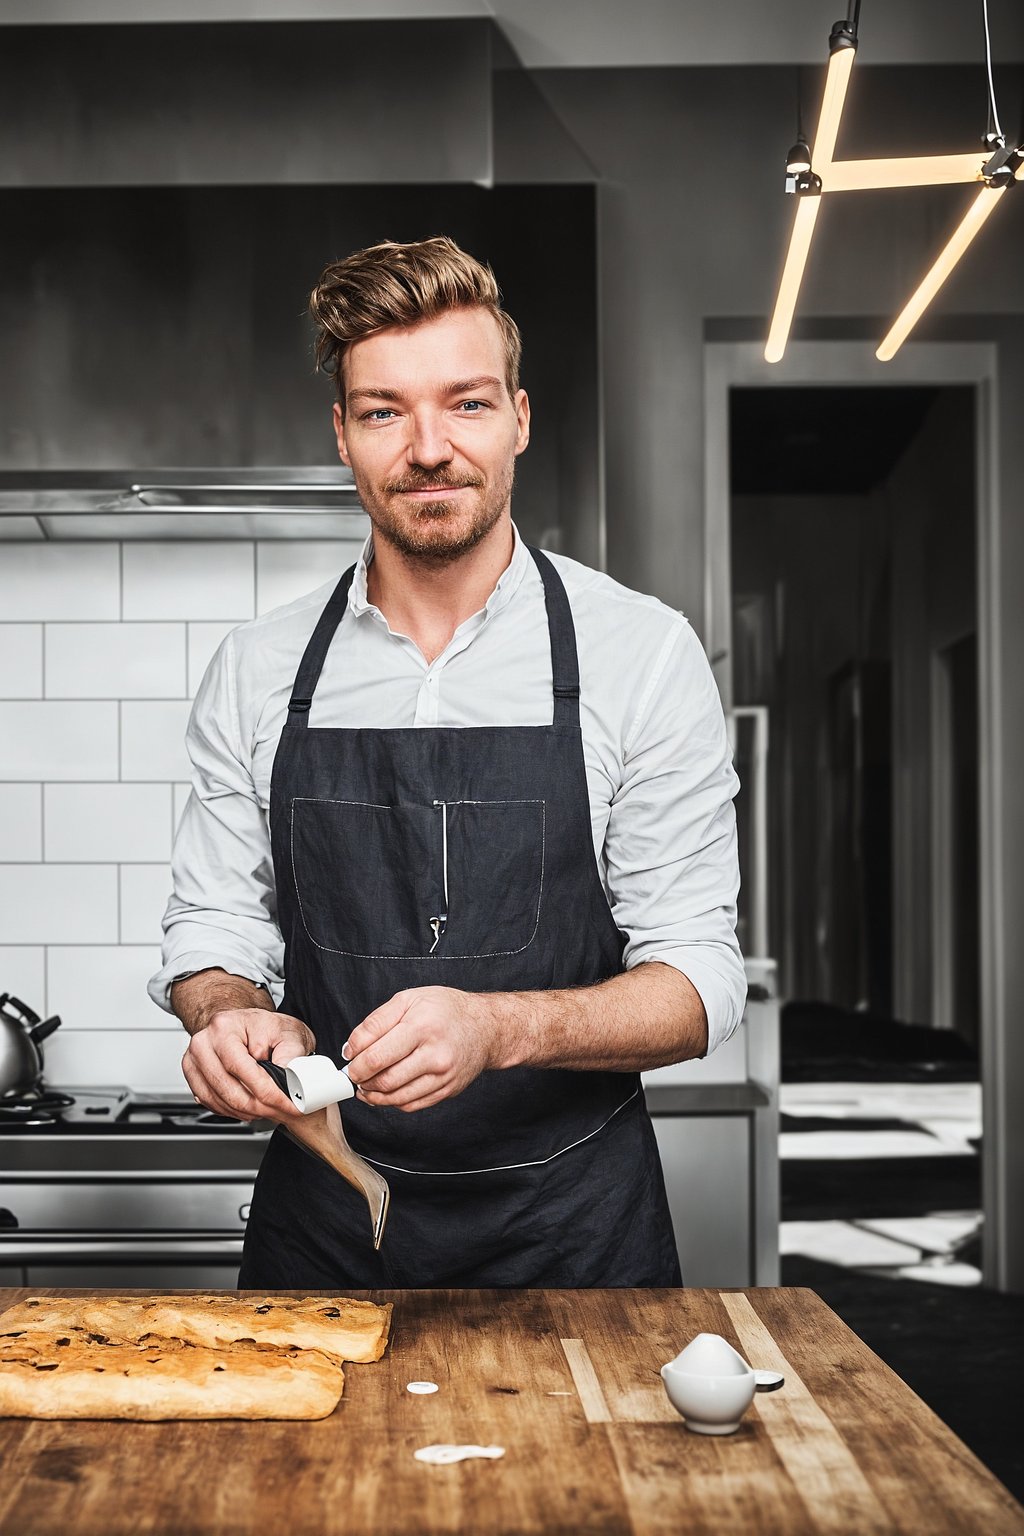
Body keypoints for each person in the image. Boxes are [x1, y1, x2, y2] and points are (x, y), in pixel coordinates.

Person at [149, 235, 746, 1288]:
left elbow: (698, 982)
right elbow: (214, 926)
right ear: (343, 433)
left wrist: (502, 1029)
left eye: (465, 403)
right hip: (325, 1224)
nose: (427, 447)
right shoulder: (255, 670)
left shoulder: (640, 654)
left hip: (573, 1234)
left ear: (520, 417)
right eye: (384, 410)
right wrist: (227, 1009)